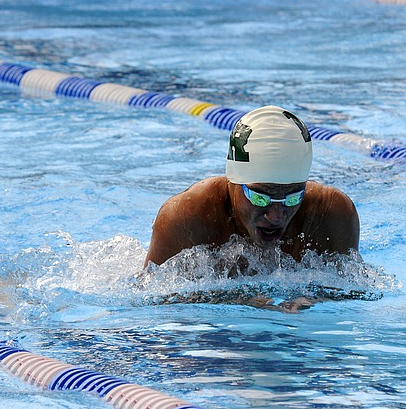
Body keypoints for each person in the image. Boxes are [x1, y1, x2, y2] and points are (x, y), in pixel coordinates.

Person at [144, 105, 360, 309]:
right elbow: (150, 297)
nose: (276, 216)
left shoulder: (331, 214)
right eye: (260, 197)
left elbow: (355, 290)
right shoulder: (186, 217)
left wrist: (316, 298)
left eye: (292, 198)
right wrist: (234, 299)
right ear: (234, 181)